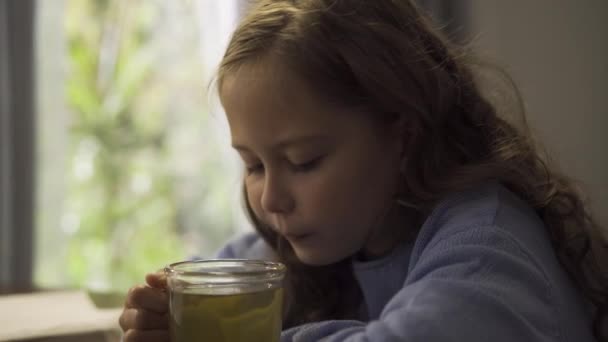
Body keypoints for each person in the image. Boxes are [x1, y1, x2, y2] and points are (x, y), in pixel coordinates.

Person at [118, 0, 608, 341]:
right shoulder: (324, 233)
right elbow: (223, 276)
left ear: (402, 137)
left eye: (303, 161)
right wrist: (168, 315)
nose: (271, 200)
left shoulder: (488, 248)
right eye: (253, 165)